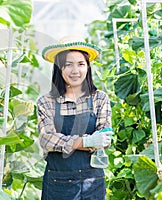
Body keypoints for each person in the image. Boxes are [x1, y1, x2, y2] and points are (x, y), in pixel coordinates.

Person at [36, 36, 113, 200]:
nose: (75, 70)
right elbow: (47, 139)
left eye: (81, 64)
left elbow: (105, 139)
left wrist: (65, 142)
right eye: (68, 64)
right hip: (58, 183)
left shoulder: (100, 99)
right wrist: (87, 142)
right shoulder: (46, 102)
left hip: (92, 182)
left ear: (88, 67)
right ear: (59, 68)